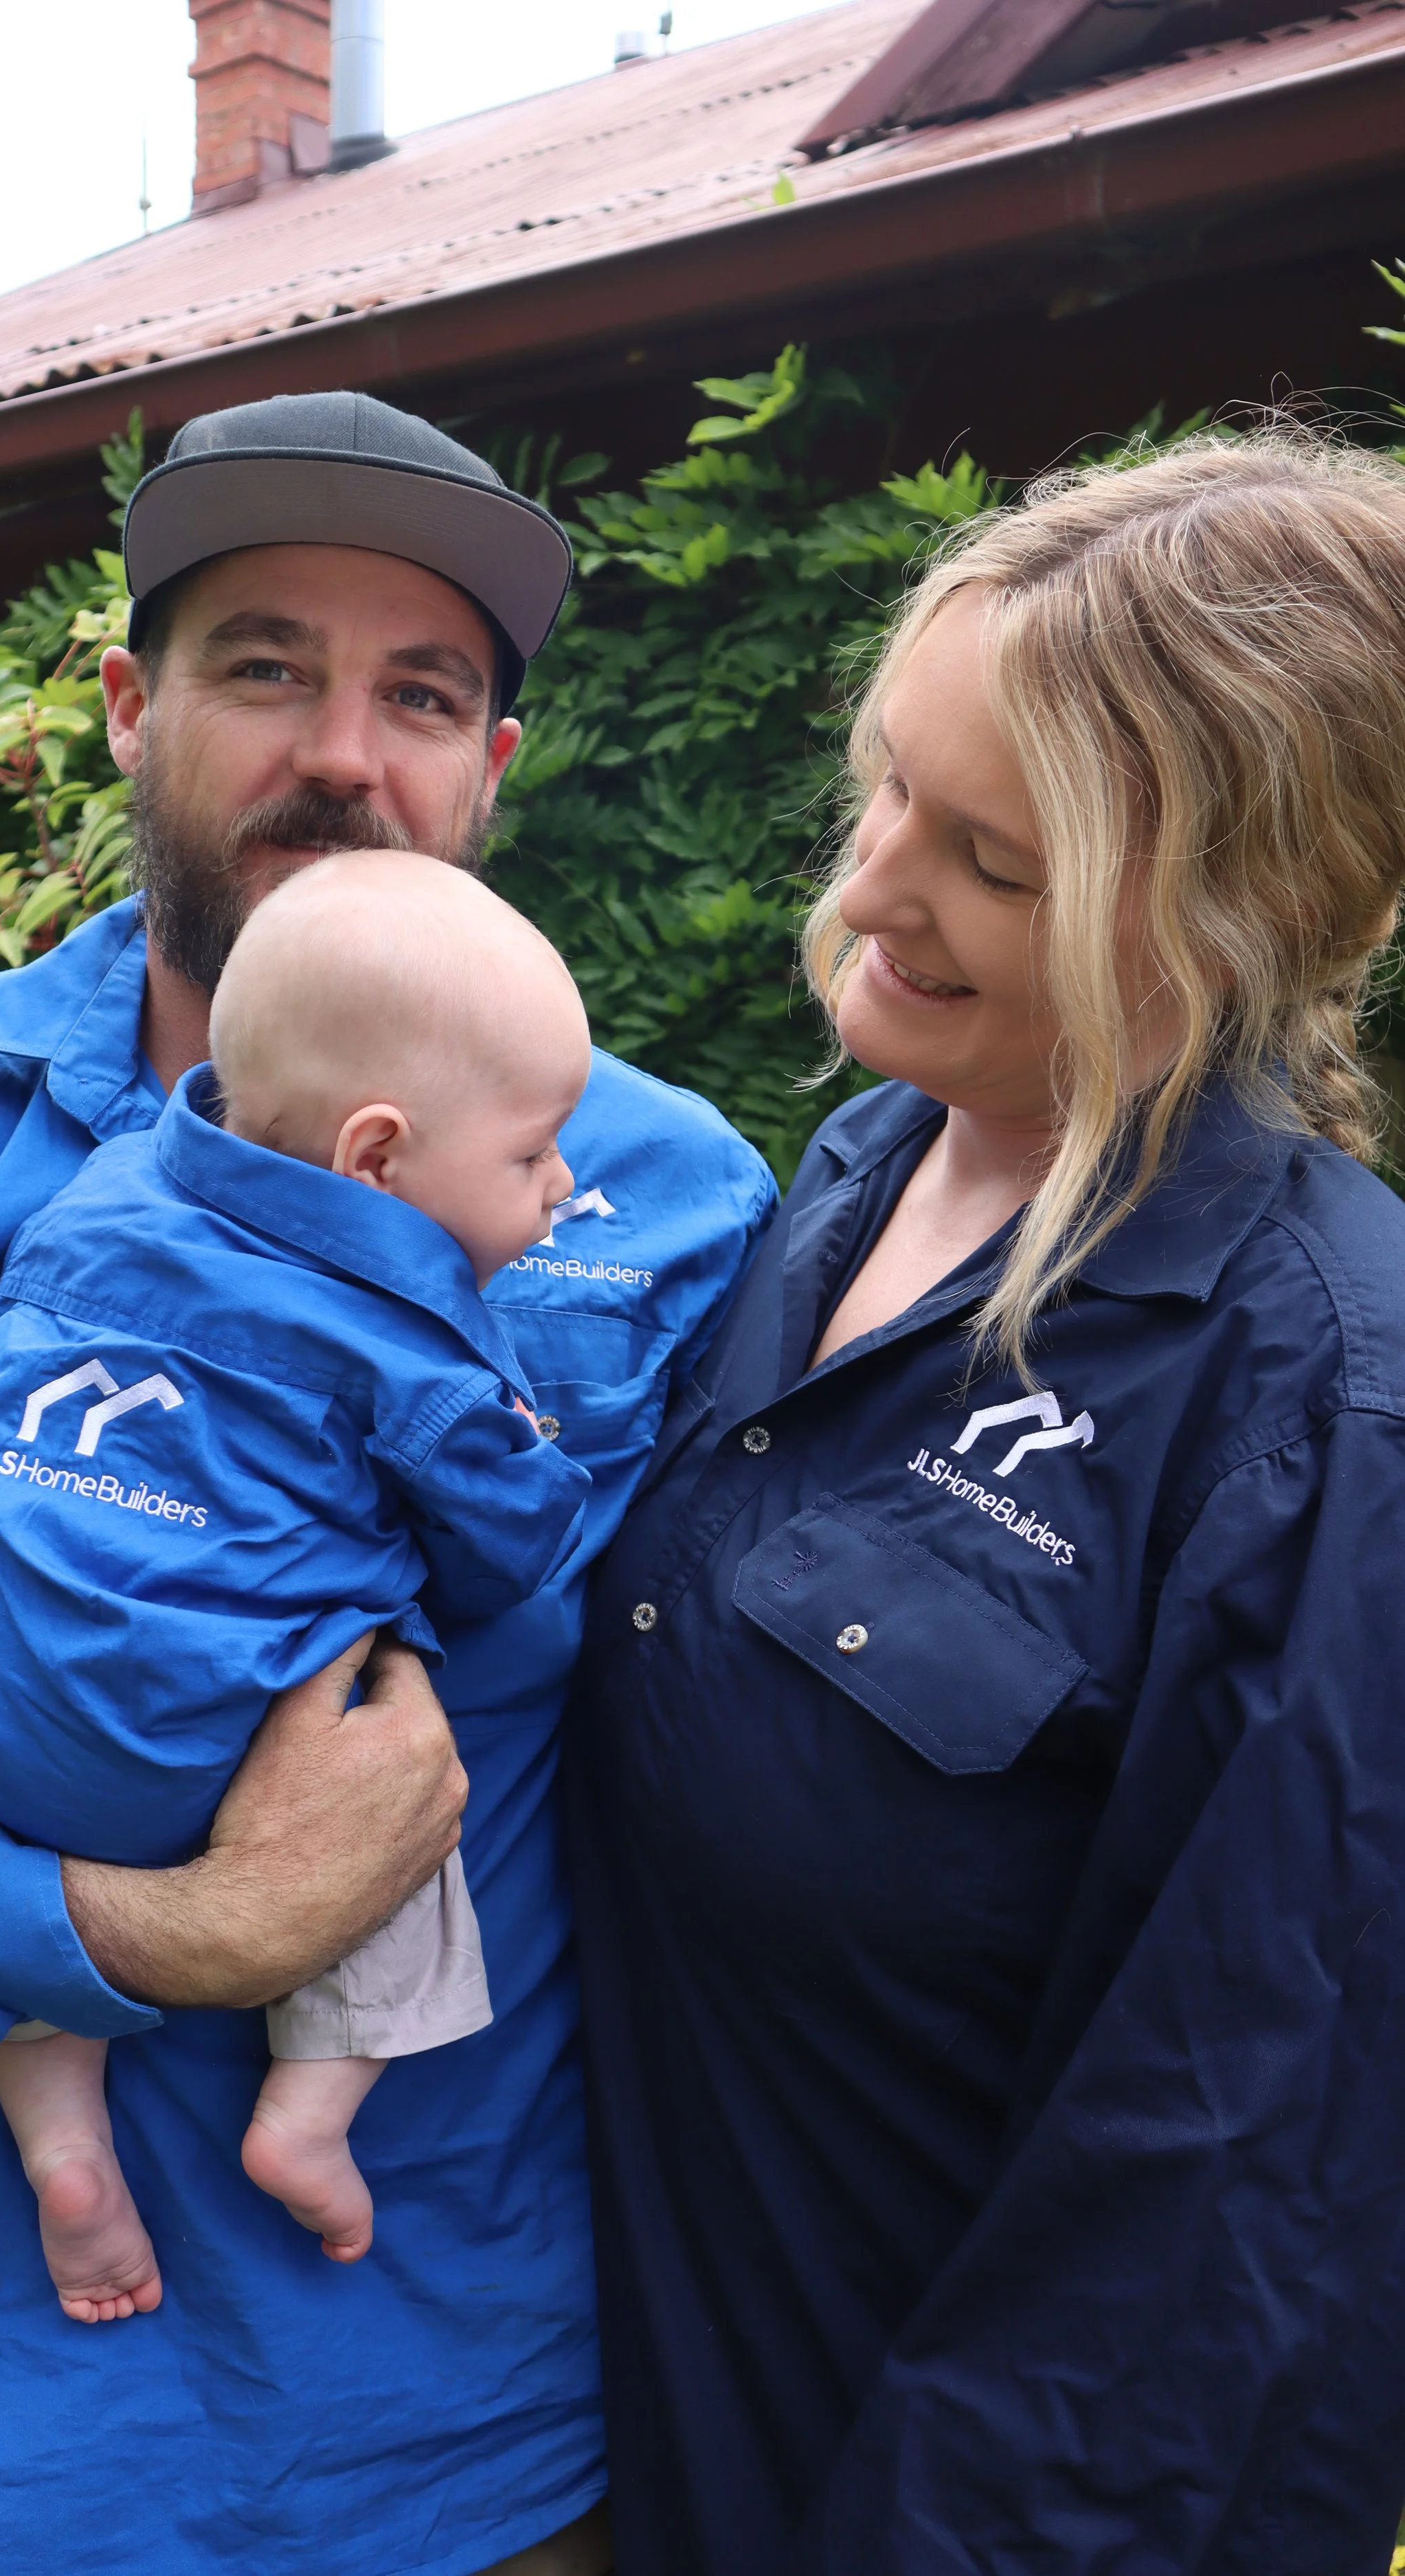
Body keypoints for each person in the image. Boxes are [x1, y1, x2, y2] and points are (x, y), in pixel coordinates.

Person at [0, 392, 776, 2576]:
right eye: (264, 664)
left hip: (485, 2432)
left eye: (424, 694)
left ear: (496, 763)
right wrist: (170, 1926)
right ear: (126, 706)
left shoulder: (664, 1191)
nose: (342, 754)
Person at [566, 430, 1405, 2575]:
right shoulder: (854, 1163)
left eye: (994, 864)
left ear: (1250, 912)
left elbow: (1230, 2235)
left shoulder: (1318, 1401)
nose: (867, 885)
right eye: (883, 792)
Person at [0, 855, 592, 2313]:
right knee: (398, 1815)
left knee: (16, 1841)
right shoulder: (410, 1354)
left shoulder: (106, 1186)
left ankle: (61, 2139)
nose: (560, 1191)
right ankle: (308, 2116)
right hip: (213, 1754)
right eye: (535, 1155)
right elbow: (509, 1555)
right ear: (374, 1157)